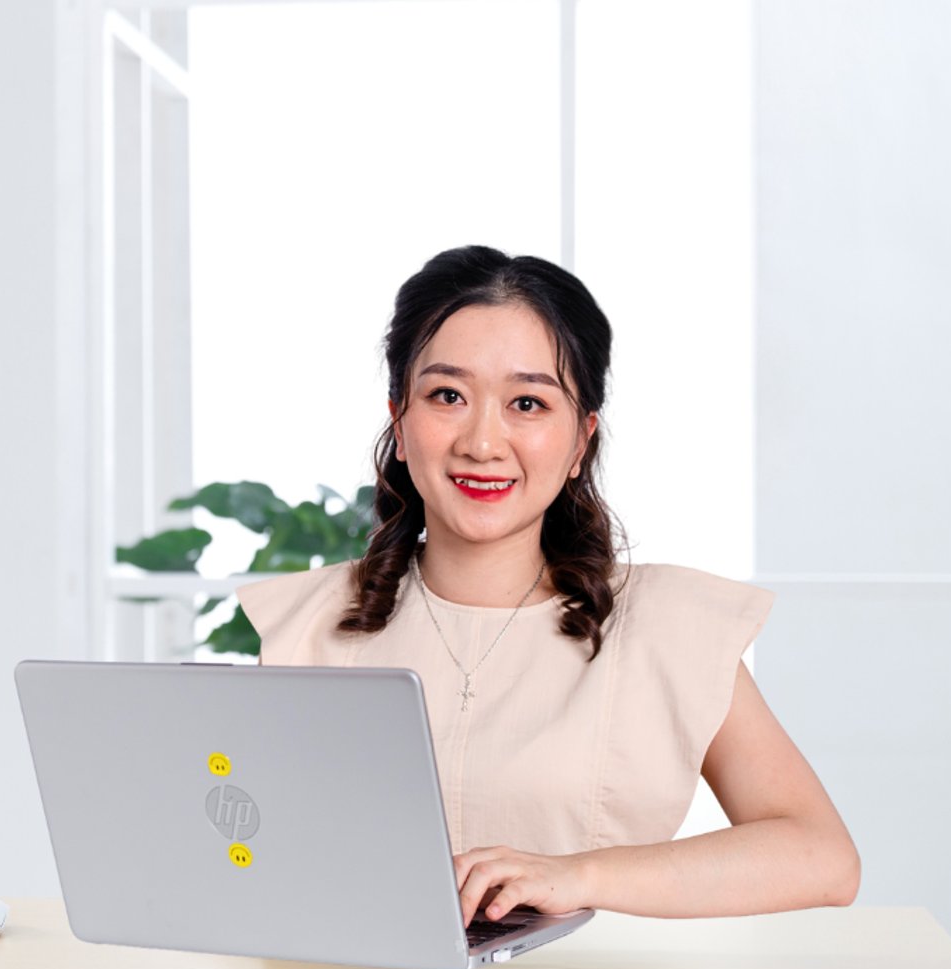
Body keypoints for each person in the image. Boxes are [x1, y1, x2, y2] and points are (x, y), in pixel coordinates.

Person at [236, 246, 859, 924]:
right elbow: (246, 853)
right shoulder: (306, 624)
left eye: (528, 403)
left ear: (581, 440)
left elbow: (822, 857)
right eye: (448, 395)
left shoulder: (669, 626)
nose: (482, 441)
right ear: (400, 422)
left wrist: (577, 875)